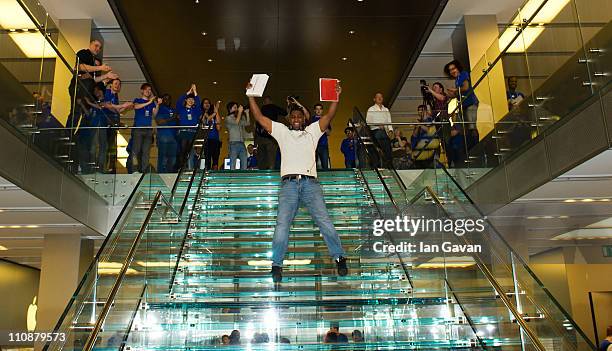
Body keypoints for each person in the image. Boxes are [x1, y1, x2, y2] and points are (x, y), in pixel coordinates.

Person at [247, 81, 348, 283]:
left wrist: (335, 98)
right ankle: (277, 264)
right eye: (292, 117)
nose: (295, 119)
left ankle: (339, 257)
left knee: (324, 221)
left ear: (303, 119)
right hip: (289, 186)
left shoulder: (312, 132)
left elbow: (329, 116)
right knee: (282, 225)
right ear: (289, 119)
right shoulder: (282, 132)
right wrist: (250, 95)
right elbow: (259, 117)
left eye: (298, 117)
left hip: (311, 185)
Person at [444, 59, 479, 150]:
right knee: (467, 128)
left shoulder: (463, 74)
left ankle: (476, 147)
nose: (452, 71)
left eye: (453, 68)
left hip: (470, 103)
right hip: (464, 105)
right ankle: (471, 148)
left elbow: (465, 87)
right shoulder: (457, 80)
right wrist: (452, 94)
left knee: (471, 127)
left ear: (458, 68)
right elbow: (459, 92)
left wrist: (455, 90)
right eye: (450, 70)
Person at [102, 79, 132, 173]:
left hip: (113, 125)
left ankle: (111, 168)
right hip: (106, 124)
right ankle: (104, 167)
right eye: (115, 84)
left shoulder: (115, 96)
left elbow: (116, 110)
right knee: (106, 146)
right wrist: (123, 106)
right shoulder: (107, 92)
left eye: (119, 84)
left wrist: (125, 107)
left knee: (112, 147)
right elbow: (108, 106)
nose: (117, 86)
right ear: (110, 85)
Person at [131, 83, 159, 173]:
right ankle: (134, 169)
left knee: (146, 152)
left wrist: (157, 104)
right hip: (138, 129)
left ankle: (144, 170)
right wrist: (149, 102)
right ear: (142, 90)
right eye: (146, 89)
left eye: (150, 90)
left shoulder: (151, 104)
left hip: (148, 130)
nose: (148, 91)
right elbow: (136, 106)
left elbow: (154, 114)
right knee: (136, 150)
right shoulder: (138, 100)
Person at [256, 96, 286, 170]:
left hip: (261, 135)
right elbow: (284, 112)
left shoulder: (261, 109)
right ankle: (271, 171)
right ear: (271, 101)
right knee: (271, 157)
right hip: (270, 135)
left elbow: (257, 122)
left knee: (262, 157)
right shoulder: (273, 107)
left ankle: (262, 172)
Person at [176, 84, 202, 170]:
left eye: (192, 100)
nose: (191, 101)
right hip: (183, 131)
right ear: (186, 100)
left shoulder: (196, 111)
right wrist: (188, 92)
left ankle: (189, 167)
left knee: (190, 151)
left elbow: (199, 103)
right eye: (189, 99)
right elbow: (179, 101)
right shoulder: (181, 109)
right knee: (183, 150)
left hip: (192, 132)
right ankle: (181, 167)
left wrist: (195, 91)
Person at [366, 92, 393, 167]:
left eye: (381, 97)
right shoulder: (371, 109)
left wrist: (390, 130)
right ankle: (385, 161)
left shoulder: (386, 109)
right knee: (384, 143)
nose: (380, 98)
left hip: (384, 131)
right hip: (375, 130)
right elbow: (368, 121)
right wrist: (378, 124)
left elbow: (389, 121)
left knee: (388, 147)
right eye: (378, 97)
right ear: (374, 99)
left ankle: (388, 163)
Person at [155, 94, 178, 173]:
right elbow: (159, 122)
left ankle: (169, 176)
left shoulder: (173, 110)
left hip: (173, 137)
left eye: (168, 99)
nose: (167, 101)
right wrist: (173, 117)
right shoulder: (160, 109)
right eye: (165, 99)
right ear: (162, 100)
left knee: (173, 159)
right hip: (163, 137)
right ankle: (161, 175)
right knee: (163, 158)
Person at [225, 102, 249, 170]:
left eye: (237, 107)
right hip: (233, 144)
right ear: (230, 109)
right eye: (235, 107)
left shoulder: (239, 117)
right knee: (232, 165)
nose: (237, 109)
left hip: (242, 143)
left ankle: (243, 179)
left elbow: (247, 123)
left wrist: (247, 113)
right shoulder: (228, 118)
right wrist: (240, 112)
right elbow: (236, 122)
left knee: (244, 164)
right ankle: (231, 179)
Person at [308, 103, 330, 169]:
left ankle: (326, 179)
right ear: (314, 110)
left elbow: (328, 133)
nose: (318, 111)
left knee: (325, 165)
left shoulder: (325, 119)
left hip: (323, 145)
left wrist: (323, 125)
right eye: (317, 109)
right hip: (313, 145)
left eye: (320, 109)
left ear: (322, 110)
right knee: (313, 165)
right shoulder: (311, 119)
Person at [203, 98, 222, 170]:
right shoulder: (202, 114)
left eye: (208, 103)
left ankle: (215, 174)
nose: (207, 104)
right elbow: (207, 119)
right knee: (207, 159)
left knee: (216, 159)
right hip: (207, 140)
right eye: (205, 103)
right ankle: (207, 174)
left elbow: (219, 126)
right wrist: (216, 111)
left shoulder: (213, 115)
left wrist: (216, 112)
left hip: (215, 140)